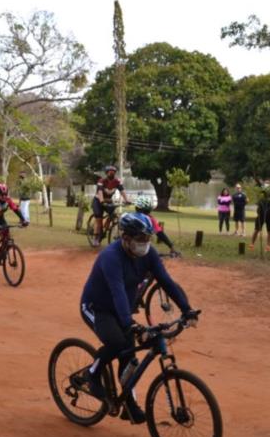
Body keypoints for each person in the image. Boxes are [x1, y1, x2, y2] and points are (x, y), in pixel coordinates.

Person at [80, 213, 193, 423]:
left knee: (129, 356)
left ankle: (129, 405)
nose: (145, 244)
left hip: (122, 310)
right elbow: (118, 292)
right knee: (116, 343)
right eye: (140, 239)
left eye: (147, 239)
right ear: (126, 238)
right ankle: (92, 375)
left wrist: (187, 309)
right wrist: (131, 324)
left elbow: (166, 281)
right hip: (97, 307)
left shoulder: (148, 255)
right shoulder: (111, 257)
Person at [0, 184, 28, 273]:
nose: (4, 196)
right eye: (2, 195)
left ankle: (0, 255)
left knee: (7, 238)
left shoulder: (8, 200)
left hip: (0, 221)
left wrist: (23, 220)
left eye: (5, 194)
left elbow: (16, 210)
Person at [92, 165, 131, 246]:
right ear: (107, 173)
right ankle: (95, 237)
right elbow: (99, 191)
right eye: (110, 172)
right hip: (98, 201)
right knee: (98, 219)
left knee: (112, 215)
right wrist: (102, 201)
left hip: (109, 201)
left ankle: (105, 229)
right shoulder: (101, 181)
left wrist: (126, 200)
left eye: (113, 172)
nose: (112, 173)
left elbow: (122, 191)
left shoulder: (117, 181)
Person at [249, 180, 270, 253]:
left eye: (268, 184)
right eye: (265, 184)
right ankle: (252, 244)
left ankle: (268, 246)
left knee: (269, 231)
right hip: (261, 215)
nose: (267, 185)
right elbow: (258, 203)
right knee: (256, 229)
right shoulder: (261, 193)